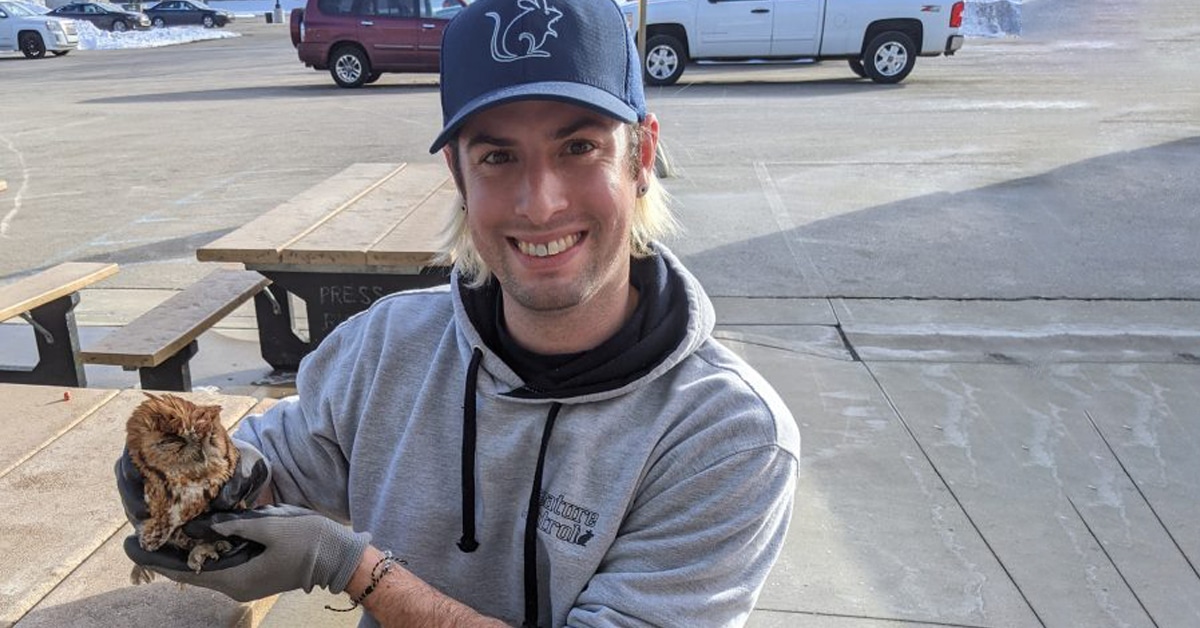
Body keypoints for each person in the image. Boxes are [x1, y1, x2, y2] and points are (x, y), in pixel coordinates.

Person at [117, 0, 799, 625]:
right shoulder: (387, 344)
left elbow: (338, 558)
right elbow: (283, 463)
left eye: (578, 146)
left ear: (641, 155)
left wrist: (350, 567)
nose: (539, 203)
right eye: (498, 155)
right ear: (457, 175)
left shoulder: (727, 435)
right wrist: (205, 481)